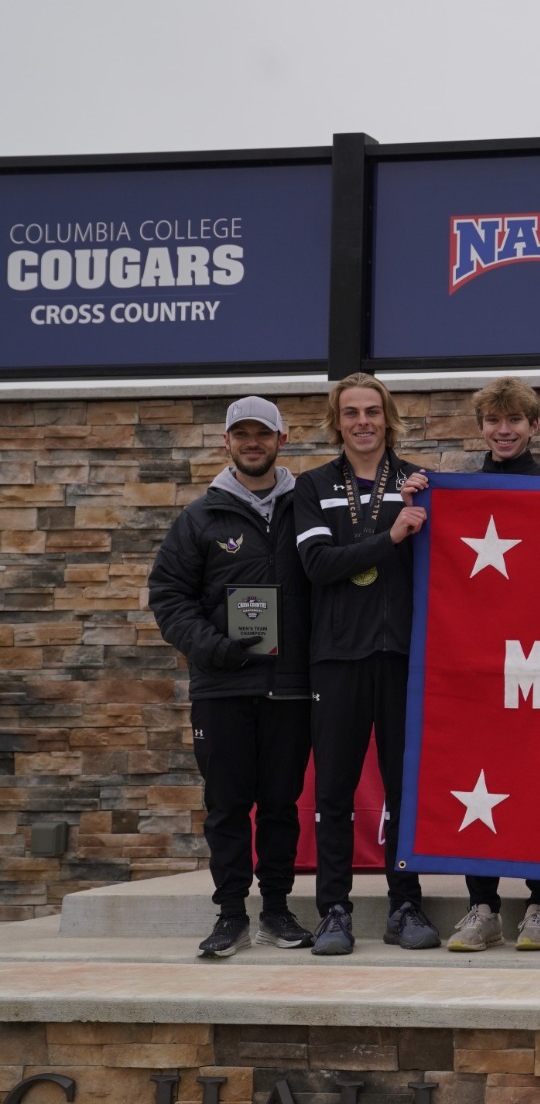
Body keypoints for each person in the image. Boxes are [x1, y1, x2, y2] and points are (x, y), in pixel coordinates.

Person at [147, 397, 314, 958]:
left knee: (280, 807)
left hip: (290, 687)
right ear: (226, 442)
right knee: (226, 807)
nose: (251, 442)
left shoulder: (309, 506)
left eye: (261, 433)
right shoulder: (201, 517)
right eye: (240, 434)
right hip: (222, 689)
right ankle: (229, 915)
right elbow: (169, 598)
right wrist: (214, 649)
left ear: (280, 440)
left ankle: (277, 910)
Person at [292, 374, 438, 954]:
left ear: (388, 418)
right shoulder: (313, 486)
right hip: (337, 657)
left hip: (402, 655)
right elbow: (318, 564)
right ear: (337, 422)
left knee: (406, 788)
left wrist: (417, 510)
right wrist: (391, 534)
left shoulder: (418, 483)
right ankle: (334, 910)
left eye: (372, 411)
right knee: (335, 791)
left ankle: (406, 904)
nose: (362, 422)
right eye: (350, 412)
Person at [434, 377, 540, 951]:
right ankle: (482, 906)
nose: (505, 430)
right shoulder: (457, 495)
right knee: (478, 780)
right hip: (480, 666)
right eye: (494, 421)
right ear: (482, 427)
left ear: (535, 426)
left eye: (515, 420)